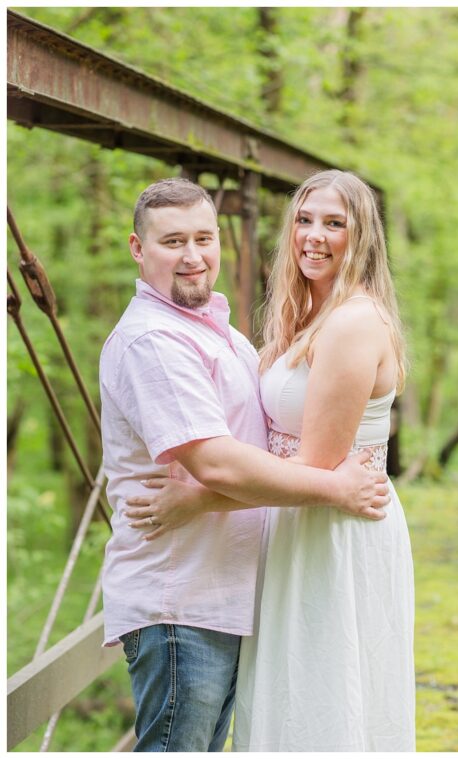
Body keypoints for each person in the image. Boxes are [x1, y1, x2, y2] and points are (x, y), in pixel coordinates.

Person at [126, 170, 415, 750]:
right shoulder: (305, 314)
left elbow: (315, 465)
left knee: (320, 697)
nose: (315, 235)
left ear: (363, 238)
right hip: (291, 520)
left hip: (330, 528)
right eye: (305, 220)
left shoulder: (353, 322)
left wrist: (197, 499)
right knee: (285, 699)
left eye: (335, 224)